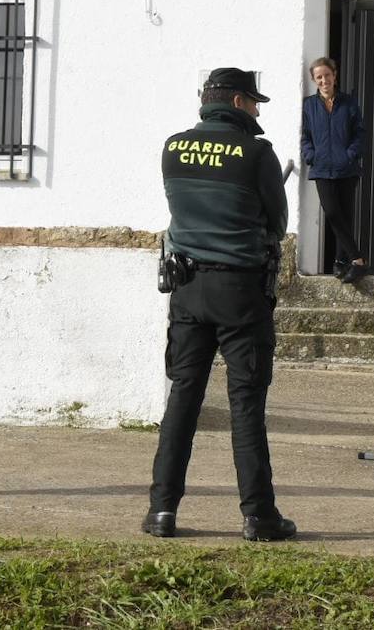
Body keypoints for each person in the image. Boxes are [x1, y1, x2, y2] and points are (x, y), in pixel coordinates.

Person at [144, 67, 297, 542]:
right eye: (254, 102)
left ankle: (161, 511)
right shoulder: (257, 153)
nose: (257, 111)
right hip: (241, 294)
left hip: (187, 291)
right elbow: (276, 222)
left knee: (182, 402)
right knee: (246, 405)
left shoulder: (173, 148)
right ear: (235, 102)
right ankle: (258, 517)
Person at [300, 56, 368, 283]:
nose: (323, 80)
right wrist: (311, 156)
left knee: (345, 217)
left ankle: (340, 262)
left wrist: (350, 155)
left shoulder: (348, 103)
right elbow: (306, 137)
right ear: (314, 79)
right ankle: (357, 259)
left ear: (334, 75)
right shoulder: (309, 105)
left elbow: (359, 133)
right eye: (318, 77)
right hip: (321, 169)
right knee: (332, 213)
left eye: (327, 75)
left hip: (347, 169)